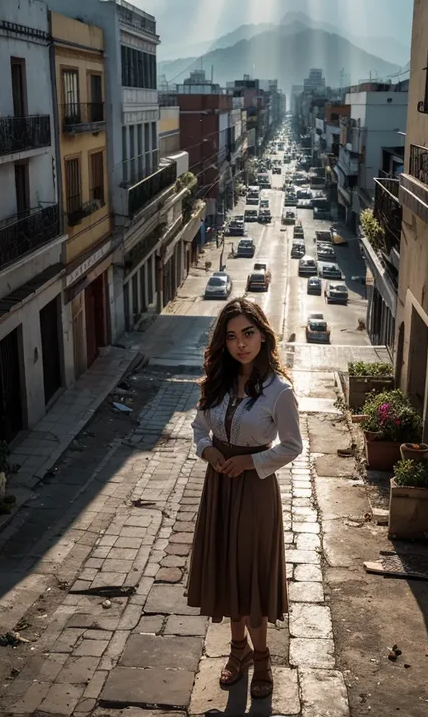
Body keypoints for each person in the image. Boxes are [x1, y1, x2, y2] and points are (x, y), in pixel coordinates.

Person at [187, 298, 302, 699]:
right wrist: (208, 451)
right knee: (226, 567)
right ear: (224, 341)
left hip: (254, 491)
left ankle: (263, 657)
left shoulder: (279, 391)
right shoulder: (215, 381)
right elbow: (199, 427)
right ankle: (238, 651)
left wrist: (251, 463)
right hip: (218, 486)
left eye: (248, 334)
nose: (241, 344)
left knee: (250, 569)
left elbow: (291, 446)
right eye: (232, 336)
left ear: (262, 335)